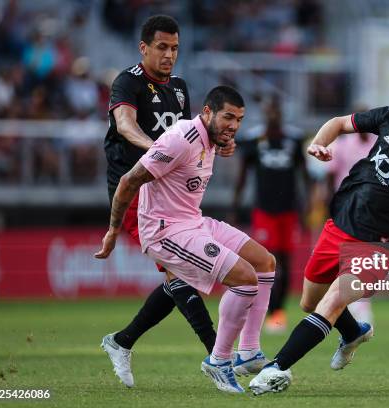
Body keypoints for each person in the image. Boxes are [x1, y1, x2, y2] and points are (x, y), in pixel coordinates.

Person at [249, 75, 389, 395]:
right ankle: (353, 333)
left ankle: (275, 368)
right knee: (311, 301)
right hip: (340, 225)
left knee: (333, 300)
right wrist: (319, 143)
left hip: (378, 245)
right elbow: (337, 123)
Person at [96, 86, 276, 394]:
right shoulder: (181, 139)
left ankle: (248, 352)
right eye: (228, 117)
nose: (233, 125)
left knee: (265, 263)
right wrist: (113, 230)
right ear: (206, 112)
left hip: (194, 223)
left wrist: (224, 143)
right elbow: (129, 181)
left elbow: (216, 143)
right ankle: (218, 360)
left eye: (239, 120)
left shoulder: (212, 138)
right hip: (165, 231)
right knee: (244, 278)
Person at [99, 15, 233, 388]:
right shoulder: (127, 81)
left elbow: (192, 137)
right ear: (144, 48)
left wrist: (219, 142)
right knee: (180, 273)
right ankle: (218, 357)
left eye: (174, 48)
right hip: (134, 194)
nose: (169, 54)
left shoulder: (179, 88)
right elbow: (125, 125)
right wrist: (157, 148)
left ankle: (122, 341)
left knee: (183, 274)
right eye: (162, 47)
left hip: (172, 196)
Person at [234, 95, 309, 333]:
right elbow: (243, 173)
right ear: (264, 113)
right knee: (269, 262)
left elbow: (303, 175)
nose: (273, 115)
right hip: (264, 210)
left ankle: (278, 312)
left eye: (276, 111)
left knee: (285, 263)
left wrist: (306, 209)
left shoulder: (294, 140)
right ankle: (269, 310)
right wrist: (235, 205)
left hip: (288, 210)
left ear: (281, 113)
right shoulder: (253, 140)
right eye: (269, 111)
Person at [326, 108, 377, 324]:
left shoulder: (378, 143)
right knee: (344, 255)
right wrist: (330, 204)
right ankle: (348, 302)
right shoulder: (343, 145)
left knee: (362, 255)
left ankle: (361, 303)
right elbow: (330, 175)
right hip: (346, 204)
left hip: (372, 205)